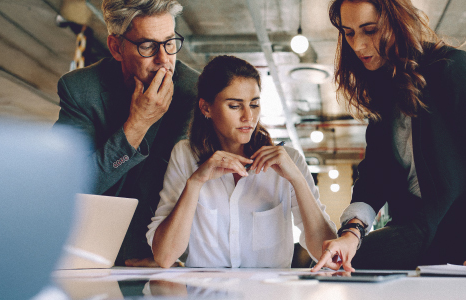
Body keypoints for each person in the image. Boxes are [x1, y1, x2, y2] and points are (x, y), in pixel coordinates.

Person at [312, 0, 466, 272]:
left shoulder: (453, 68)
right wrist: (350, 234)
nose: (358, 45)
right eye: (349, 32)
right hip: (417, 226)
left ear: (397, 23)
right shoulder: (382, 88)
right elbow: (375, 177)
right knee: (341, 263)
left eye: (370, 30)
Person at [146, 55, 337, 268]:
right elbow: (164, 256)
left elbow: (327, 254)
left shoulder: (289, 160)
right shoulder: (184, 155)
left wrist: (298, 181)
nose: (249, 117)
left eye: (254, 104)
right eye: (235, 106)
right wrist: (195, 182)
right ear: (206, 108)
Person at [53, 0, 199, 267]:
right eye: (147, 46)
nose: (164, 59)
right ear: (116, 47)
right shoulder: (80, 90)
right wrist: (137, 126)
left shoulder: (195, 93)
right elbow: (68, 186)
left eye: (169, 42)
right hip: (91, 252)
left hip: (166, 256)